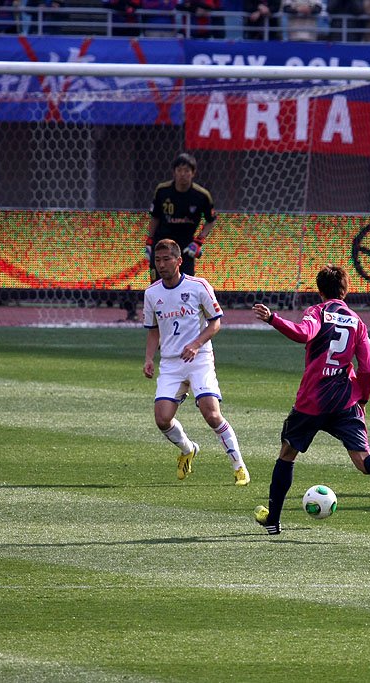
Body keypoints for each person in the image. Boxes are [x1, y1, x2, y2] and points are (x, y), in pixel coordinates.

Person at [251, 264, 370, 535]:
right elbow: (368, 368)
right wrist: (363, 399)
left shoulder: (317, 312)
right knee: (363, 460)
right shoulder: (357, 322)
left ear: (319, 291)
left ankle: (273, 520)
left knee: (287, 454)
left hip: (312, 400)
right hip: (345, 400)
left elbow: (303, 334)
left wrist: (273, 319)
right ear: (346, 290)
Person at [143, 239, 250, 486]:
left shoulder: (199, 286)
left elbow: (215, 322)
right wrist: (148, 358)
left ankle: (239, 466)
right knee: (162, 419)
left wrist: (196, 344)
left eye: (166, 259)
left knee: (211, 414)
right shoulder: (152, 293)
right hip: (171, 363)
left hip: (199, 359)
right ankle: (188, 449)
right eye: (158, 260)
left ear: (179, 261)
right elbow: (153, 330)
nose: (161, 265)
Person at [145, 152, 217, 282]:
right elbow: (155, 217)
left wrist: (199, 241)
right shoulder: (162, 191)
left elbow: (211, 220)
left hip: (185, 247)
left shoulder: (202, 195)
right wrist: (149, 242)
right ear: (174, 172)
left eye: (187, 170)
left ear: (193, 173)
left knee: (186, 285)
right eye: (179, 170)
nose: (182, 174)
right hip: (162, 244)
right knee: (158, 284)